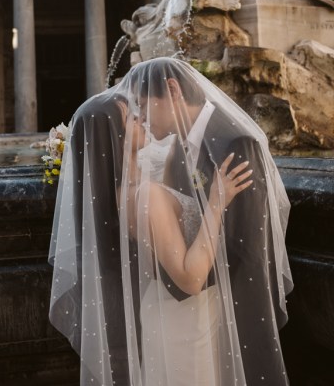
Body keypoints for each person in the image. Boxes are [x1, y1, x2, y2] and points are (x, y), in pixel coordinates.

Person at [49, 57, 293, 386]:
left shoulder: (150, 175)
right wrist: (217, 202)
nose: (142, 118)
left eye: (141, 107)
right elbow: (190, 279)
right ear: (117, 139)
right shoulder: (144, 195)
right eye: (132, 117)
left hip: (179, 314)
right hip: (184, 317)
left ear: (173, 90)